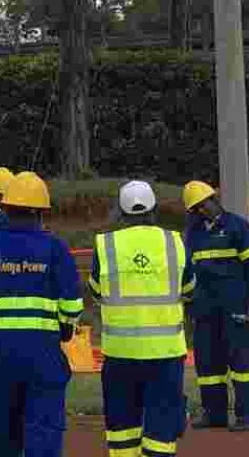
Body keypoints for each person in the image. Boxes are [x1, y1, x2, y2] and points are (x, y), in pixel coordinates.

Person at [0, 171, 83, 457]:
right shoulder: (55, 248)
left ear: (5, 208)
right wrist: (65, 329)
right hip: (43, 356)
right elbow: (71, 303)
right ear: (41, 212)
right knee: (43, 434)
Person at [89, 180, 196, 457]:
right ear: (154, 209)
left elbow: (96, 292)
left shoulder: (106, 244)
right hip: (165, 353)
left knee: (122, 428)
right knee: (162, 427)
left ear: (121, 211)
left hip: (120, 353)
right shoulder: (175, 242)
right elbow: (189, 289)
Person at [181, 180, 249, 431]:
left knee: (241, 362)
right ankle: (214, 414)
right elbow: (187, 271)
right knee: (208, 363)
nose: (202, 211)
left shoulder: (237, 226)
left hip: (235, 306)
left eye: (203, 205)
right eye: (196, 209)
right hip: (204, 308)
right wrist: (190, 307)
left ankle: (245, 415)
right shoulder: (193, 232)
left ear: (214, 199)